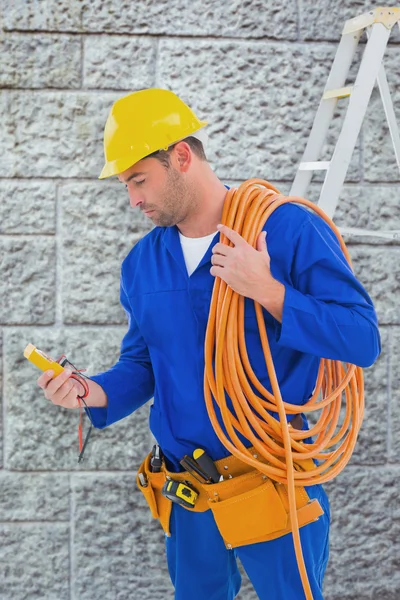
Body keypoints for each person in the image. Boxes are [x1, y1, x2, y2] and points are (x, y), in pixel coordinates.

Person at [37, 88, 381, 600]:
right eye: (126, 185)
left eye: (138, 179)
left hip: (270, 481)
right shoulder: (142, 262)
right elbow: (143, 363)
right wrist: (90, 391)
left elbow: (361, 338)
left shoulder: (285, 230)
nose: (133, 199)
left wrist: (267, 289)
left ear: (180, 156)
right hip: (188, 492)